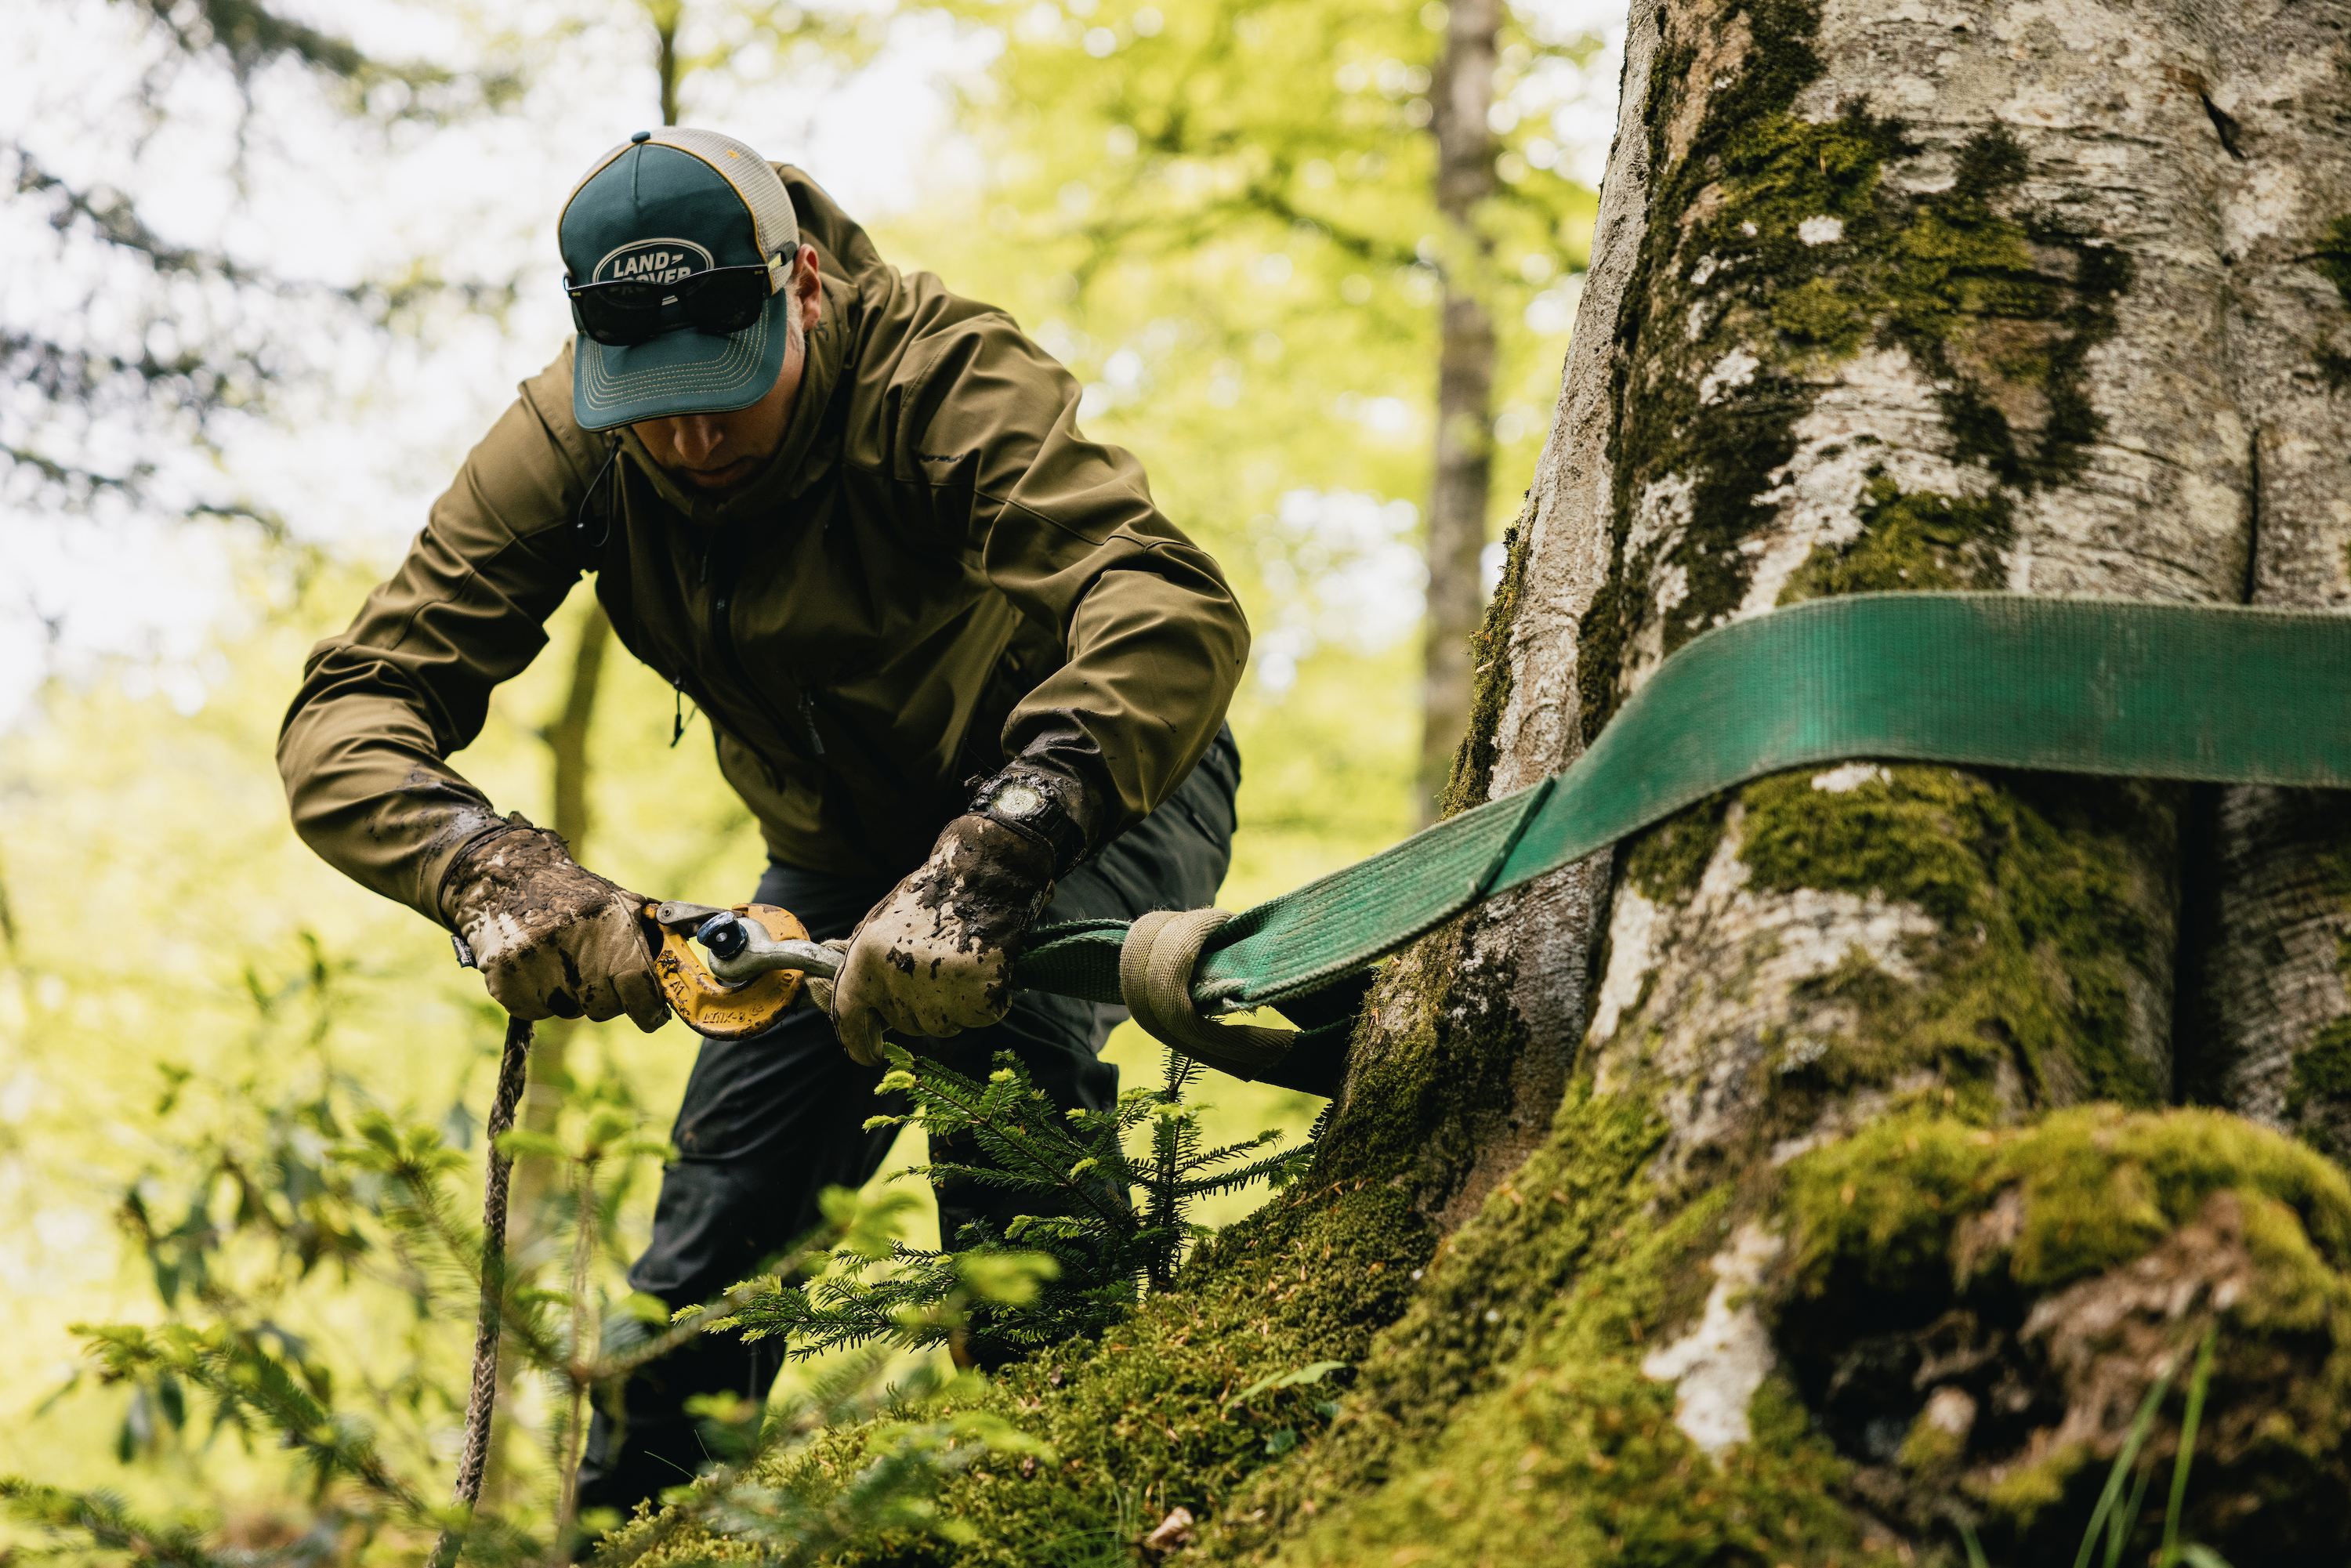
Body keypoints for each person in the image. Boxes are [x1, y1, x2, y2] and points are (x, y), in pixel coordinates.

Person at [275, 126, 1250, 1523]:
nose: (688, 435)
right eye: (649, 398)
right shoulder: (569, 443)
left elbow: (1166, 605)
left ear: (796, 284)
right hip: (839, 850)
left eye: (722, 387)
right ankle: (621, 1538)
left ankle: (1083, 1500)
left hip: (1085, 778)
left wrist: (1001, 846)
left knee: (1001, 1079)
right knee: (711, 1237)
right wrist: (496, 872)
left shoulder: (936, 370)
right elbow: (347, 711)